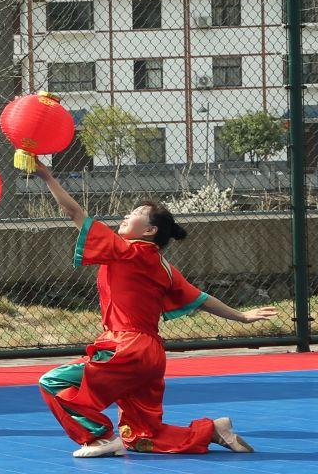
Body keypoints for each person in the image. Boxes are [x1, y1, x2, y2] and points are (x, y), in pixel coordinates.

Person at [32, 161, 269, 457]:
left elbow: (75, 213)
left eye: (135, 213)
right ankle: (213, 430)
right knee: (141, 436)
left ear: (149, 230)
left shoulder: (130, 251)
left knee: (53, 382)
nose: (126, 215)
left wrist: (47, 176)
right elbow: (201, 298)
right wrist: (241, 316)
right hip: (151, 355)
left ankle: (99, 438)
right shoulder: (163, 266)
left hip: (126, 349)